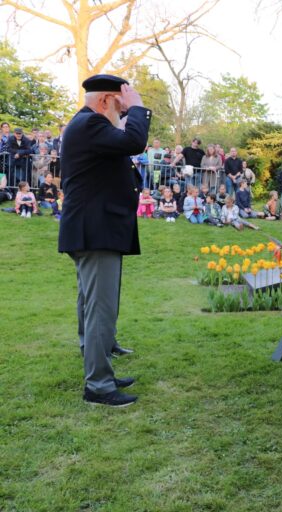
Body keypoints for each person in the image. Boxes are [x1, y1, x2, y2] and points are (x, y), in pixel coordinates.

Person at [58, 74, 151, 407]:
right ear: (104, 101)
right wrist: (139, 110)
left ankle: (99, 370)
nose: (124, 111)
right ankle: (97, 385)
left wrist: (126, 115)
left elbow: (121, 151)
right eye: (120, 104)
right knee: (100, 308)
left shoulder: (86, 126)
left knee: (90, 304)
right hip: (95, 230)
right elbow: (134, 143)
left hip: (91, 228)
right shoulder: (91, 125)